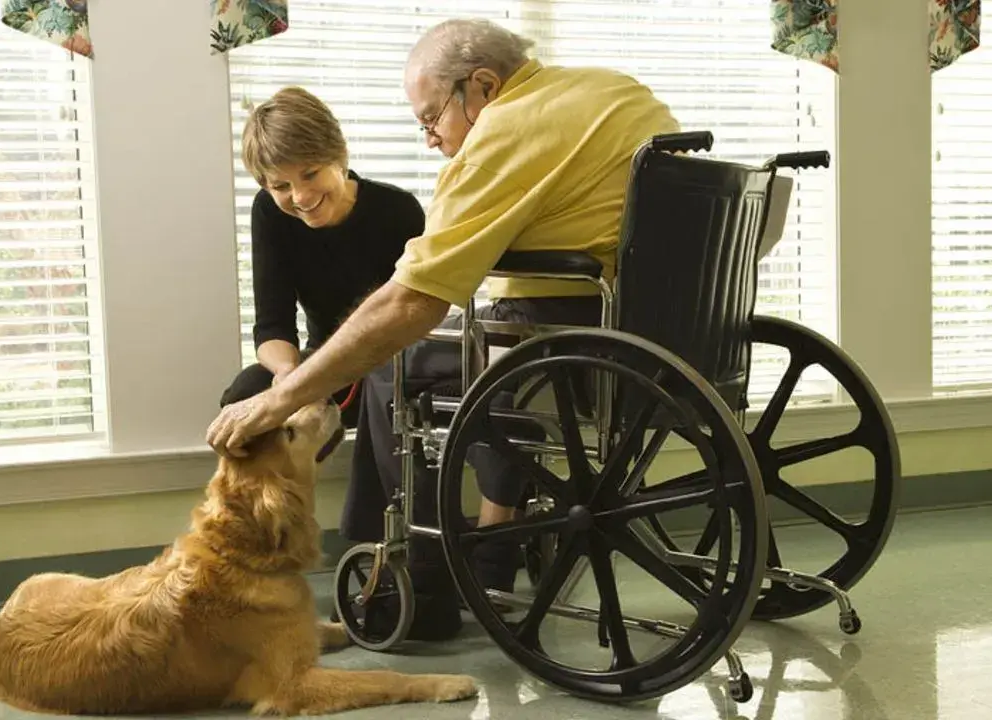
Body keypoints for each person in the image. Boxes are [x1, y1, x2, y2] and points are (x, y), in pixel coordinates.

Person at [208, 18, 680, 640]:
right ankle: (479, 552)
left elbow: (407, 308)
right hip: (657, 340)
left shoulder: (502, 136)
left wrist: (286, 397)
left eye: (432, 118)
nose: (431, 139)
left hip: (566, 341)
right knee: (446, 356)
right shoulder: (617, 92)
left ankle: (421, 581)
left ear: (481, 87)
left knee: (391, 368)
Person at [219, 86, 425, 430]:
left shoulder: (398, 210)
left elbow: (411, 317)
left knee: (388, 391)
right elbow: (272, 325)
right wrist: (289, 377)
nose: (300, 196)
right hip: (320, 366)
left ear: (339, 156)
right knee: (245, 393)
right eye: (281, 186)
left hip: (391, 367)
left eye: (310, 173)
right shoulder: (269, 212)